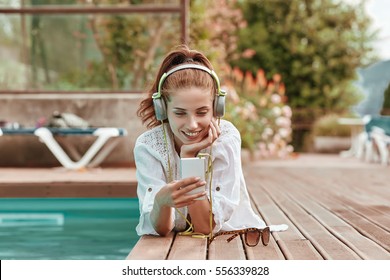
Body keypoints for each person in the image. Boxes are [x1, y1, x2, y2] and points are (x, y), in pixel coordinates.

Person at [134, 45, 286, 238]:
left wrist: (188, 157)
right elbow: (161, 229)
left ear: (216, 107)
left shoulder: (227, 137)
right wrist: (160, 203)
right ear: (162, 109)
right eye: (180, 113)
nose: (192, 125)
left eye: (202, 112)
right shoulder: (148, 146)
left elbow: (204, 227)